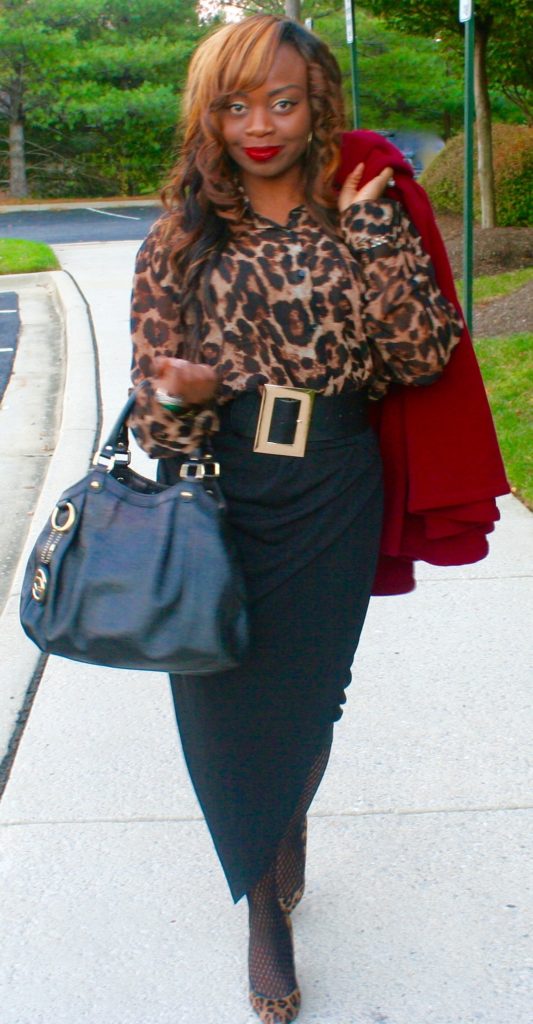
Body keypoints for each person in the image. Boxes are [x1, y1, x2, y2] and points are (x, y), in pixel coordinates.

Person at [129, 14, 466, 1023]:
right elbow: (152, 425)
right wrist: (182, 396)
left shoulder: (357, 204)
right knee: (220, 699)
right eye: (236, 104)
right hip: (222, 488)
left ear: (315, 100)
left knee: (311, 698)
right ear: (210, 112)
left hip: (330, 479)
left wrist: (369, 235)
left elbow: (420, 357)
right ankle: (261, 907)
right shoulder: (181, 236)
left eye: (283, 99)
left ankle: (278, 846)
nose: (261, 123)